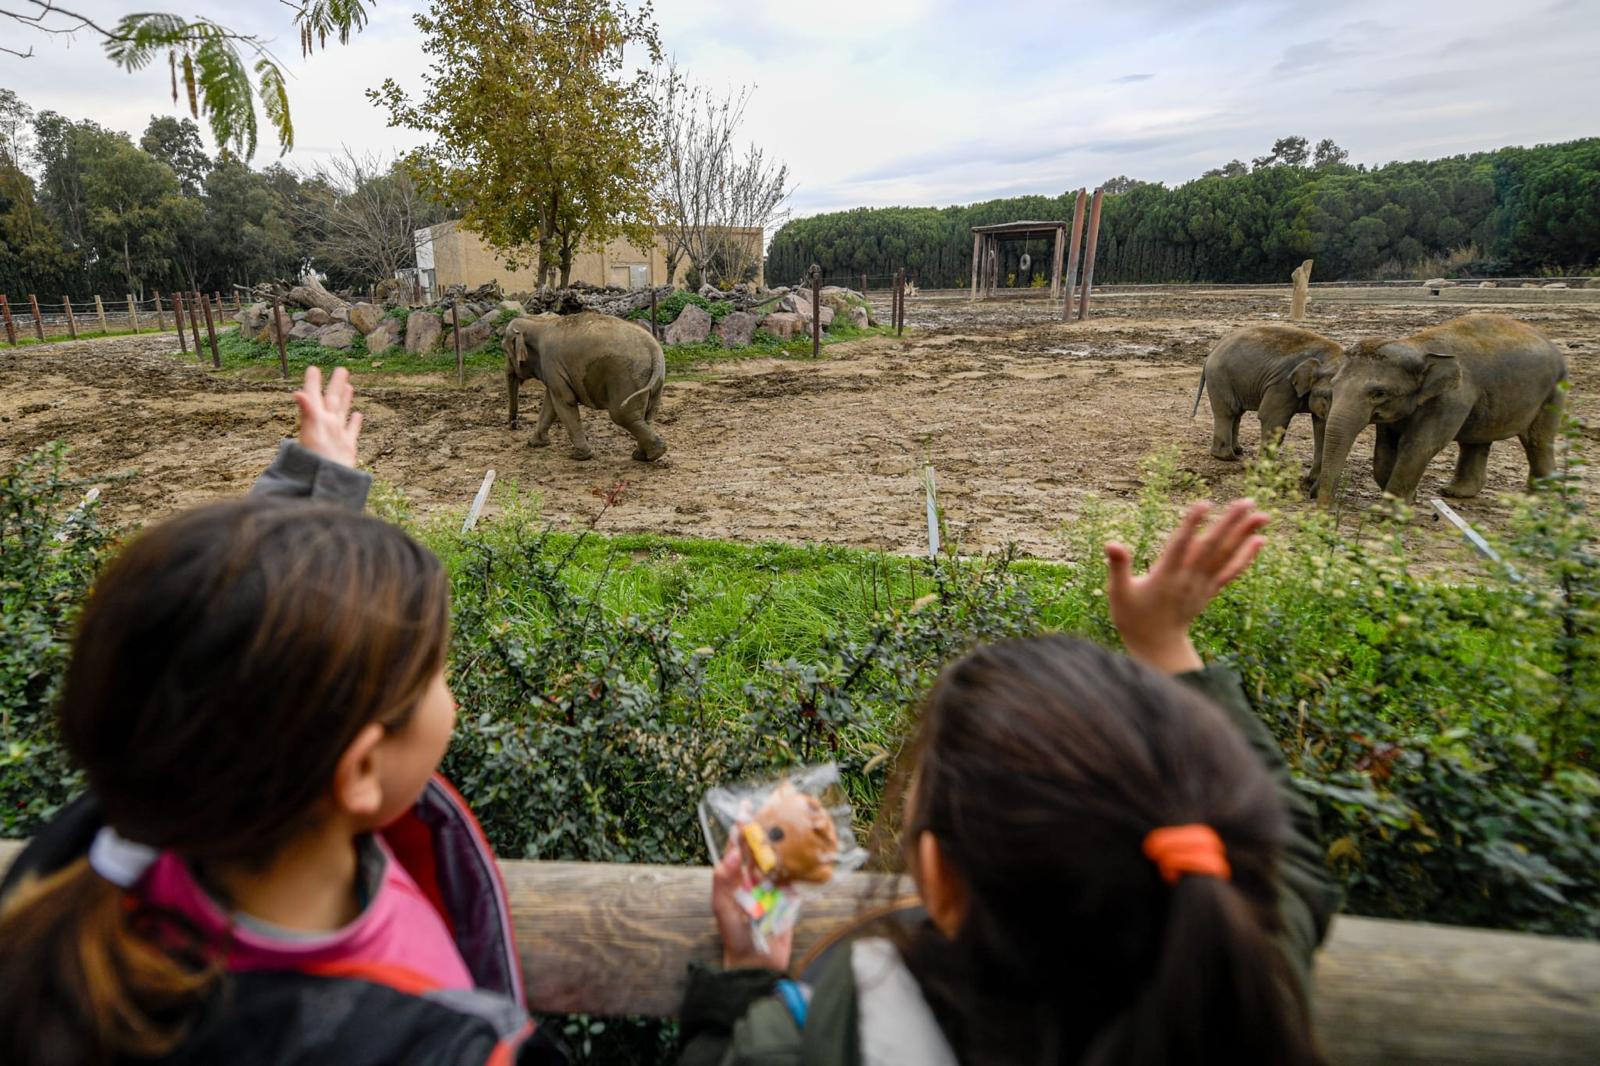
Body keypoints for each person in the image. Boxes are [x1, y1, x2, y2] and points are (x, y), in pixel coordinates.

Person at [0, 368, 564, 1066]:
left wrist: (315, 498)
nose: (451, 695)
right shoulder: (450, 1050)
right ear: (361, 769)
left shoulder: (110, 843)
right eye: (435, 675)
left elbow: (206, 650)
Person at [678, 501, 1342, 1065]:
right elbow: (1293, 858)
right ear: (1204, 843)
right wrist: (1167, 644)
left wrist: (747, 977)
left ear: (940, 885)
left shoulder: (823, 1035)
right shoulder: (1245, 963)